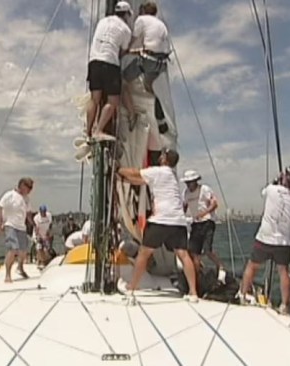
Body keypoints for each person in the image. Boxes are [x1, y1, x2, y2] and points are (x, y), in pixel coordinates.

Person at [115, 148, 199, 302]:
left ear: (165, 159)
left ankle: (131, 288)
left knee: (144, 253)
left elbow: (136, 172)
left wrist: (117, 168)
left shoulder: (158, 172)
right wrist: (122, 178)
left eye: (162, 155)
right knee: (183, 255)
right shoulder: (171, 176)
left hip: (161, 220)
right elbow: (138, 180)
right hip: (178, 221)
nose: (159, 157)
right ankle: (193, 293)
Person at [239, 167, 290, 314]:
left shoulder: (272, 190)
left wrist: (277, 179)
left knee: (252, 266)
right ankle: (284, 305)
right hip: (284, 243)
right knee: (283, 271)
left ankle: (243, 295)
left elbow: (263, 192)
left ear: (285, 180)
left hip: (265, 238)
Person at [86, 1, 134, 141]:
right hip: (110, 62)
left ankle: (88, 132)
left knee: (94, 99)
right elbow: (123, 50)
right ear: (126, 14)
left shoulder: (103, 21)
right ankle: (99, 130)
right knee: (113, 101)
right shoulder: (126, 29)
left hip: (94, 61)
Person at [181, 169, 225, 272]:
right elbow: (184, 206)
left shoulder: (204, 189)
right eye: (186, 182)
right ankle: (197, 273)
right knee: (193, 251)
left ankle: (220, 265)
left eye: (189, 182)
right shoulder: (186, 193)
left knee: (207, 250)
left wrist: (204, 213)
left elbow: (214, 204)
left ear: (195, 181)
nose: (188, 185)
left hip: (207, 222)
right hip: (196, 224)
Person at [0, 177, 34, 283]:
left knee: (23, 251)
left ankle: (20, 268)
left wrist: (33, 224)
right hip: (10, 225)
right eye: (29, 188)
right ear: (22, 185)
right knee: (13, 249)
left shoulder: (26, 199)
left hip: (21, 227)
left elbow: (28, 213)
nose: (30, 191)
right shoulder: (10, 195)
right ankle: (7, 274)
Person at [130, 1, 170, 92]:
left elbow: (133, 40)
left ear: (143, 10)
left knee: (124, 75)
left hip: (149, 61)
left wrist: (126, 50)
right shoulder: (162, 24)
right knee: (148, 85)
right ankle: (155, 103)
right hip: (162, 63)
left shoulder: (141, 19)